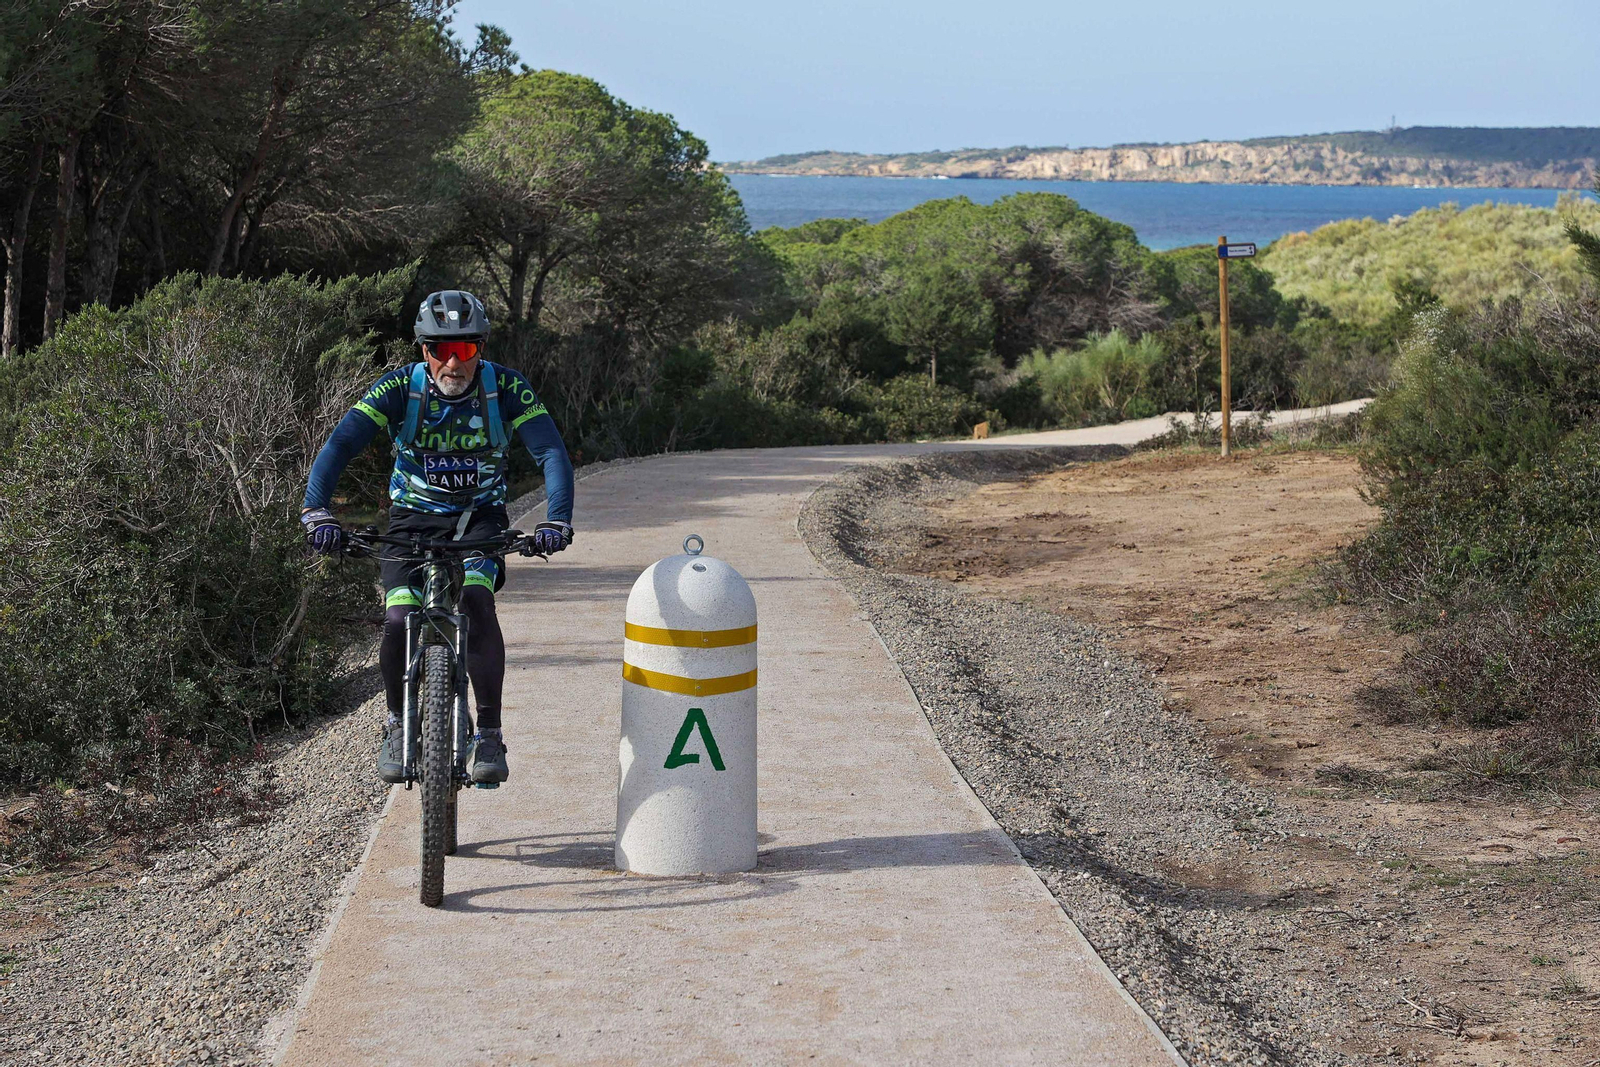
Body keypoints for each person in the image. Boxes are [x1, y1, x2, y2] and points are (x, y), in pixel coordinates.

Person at [299, 290, 574, 785]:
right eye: (440, 349)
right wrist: (316, 511)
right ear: (422, 349)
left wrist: (556, 519)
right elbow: (340, 444)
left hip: (479, 519)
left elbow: (551, 453)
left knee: (475, 600)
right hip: (411, 519)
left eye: (465, 350)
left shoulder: (507, 388)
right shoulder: (399, 389)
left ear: (481, 349)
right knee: (400, 616)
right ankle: (397, 724)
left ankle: (489, 732)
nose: (453, 362)